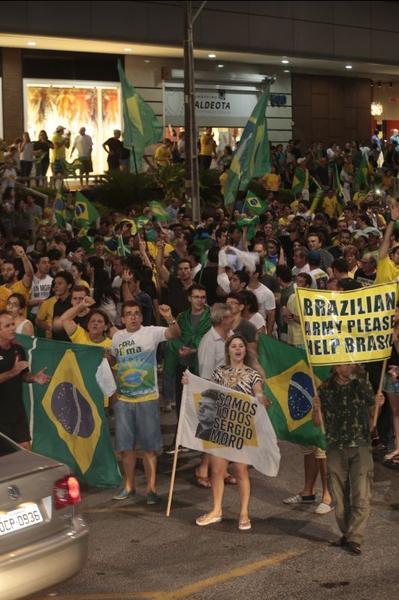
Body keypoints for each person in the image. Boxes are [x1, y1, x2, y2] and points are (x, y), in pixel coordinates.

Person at [194, 334, 266, 530]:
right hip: (220, 426)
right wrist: (188, 383)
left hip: (241, 427)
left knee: (241, 470)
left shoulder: (252, 374)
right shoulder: (219, 372)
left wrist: (260, 397)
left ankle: (244, 513)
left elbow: (258, 391)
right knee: (216, 471)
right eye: (233, 346)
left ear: (245, 350)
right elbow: (206, 390)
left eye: (241, 346)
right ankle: (216, 510)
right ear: (228, 350)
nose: (237, 349)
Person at [111, 301, 180, 503]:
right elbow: (114, 363)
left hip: (147, 399)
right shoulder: (117, 338)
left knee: (149, 447)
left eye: (136, 313)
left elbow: (175, 333)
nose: (133, 317)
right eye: (128, 314)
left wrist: (169, 317)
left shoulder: (151, 332)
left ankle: (151, 489)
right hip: (123, 401)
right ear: (122, 319)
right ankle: (129, 486)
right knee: (126, 447)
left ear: (141, 317)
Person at [313, 364, 385, 555]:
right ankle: (347, 533)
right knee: (338, 494)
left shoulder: (361, 384)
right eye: (346, 363)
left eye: (351, 362)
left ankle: (356, 537)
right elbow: (317, 422)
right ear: (336, 367)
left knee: (361, 493)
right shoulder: (325, 388)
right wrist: (316, 408)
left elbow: (372, 416)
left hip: (360, 445)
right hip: (336, 446)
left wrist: (378, 403)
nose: (351, 366)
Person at [0, 311, 50, 448]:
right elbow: (14, 373)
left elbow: (23, 375)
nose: (12, 328)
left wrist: (33, 377)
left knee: (27, 454)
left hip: (17, 412)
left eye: (13, 324)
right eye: (7, 326)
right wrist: (12, 372)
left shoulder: (18, 349)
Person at [36, 270, 73, 340]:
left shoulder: (74, 303)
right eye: (55, 283)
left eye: (60, 283)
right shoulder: (56, 304)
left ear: (69, 285)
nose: (56, 286)